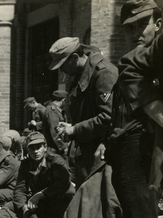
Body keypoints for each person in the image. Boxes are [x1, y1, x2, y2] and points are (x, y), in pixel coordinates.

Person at [108, 0, 163, 218]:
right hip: (125, 147)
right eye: (128, 27)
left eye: (141, 24)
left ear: (158, 24)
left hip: (145, 147)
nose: (134, 33)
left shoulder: (162, 64)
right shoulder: (136, 62)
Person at [48, 36, 118, 186]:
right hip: (87, 152)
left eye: (62, 65)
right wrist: (71, 127)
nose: (61, 70)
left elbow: (109, 117)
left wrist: (75, 129)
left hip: (103, 152)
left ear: (74, 57)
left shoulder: (103, 73)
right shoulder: (82, 74)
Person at [13, 132, 75, 218]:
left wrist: (42, 194)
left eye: (38, 147)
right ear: (27, 150)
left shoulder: (55, 161)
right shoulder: (26, 164)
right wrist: (23, 207)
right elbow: (20, 188)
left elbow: (63, 183)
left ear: (45, 147)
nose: (35, 151)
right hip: (41, 203)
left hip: (59, 200)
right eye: (32, 148)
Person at [41, 90, 70, 157]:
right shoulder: (52, 111)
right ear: (63, 100)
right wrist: (63, 147)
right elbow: (55, 132)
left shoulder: (56, 110)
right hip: (54, 150)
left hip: (56, 149)